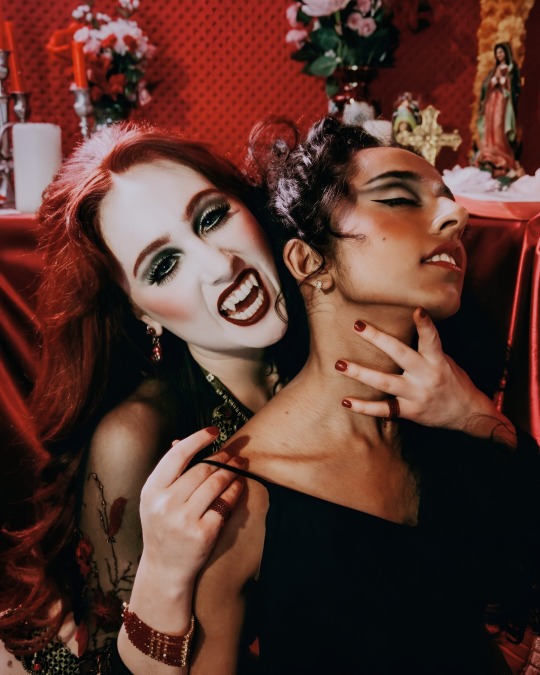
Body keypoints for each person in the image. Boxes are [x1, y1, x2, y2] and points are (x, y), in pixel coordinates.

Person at [0, 121, 533, 674]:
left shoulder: (336, 327)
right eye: (164, 266)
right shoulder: (136, 437)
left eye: (212, 218)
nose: (219, 266)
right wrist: (163, 576)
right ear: (140, 311)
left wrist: (471, 414)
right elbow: (107, 663)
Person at [182, 117, 539, 674]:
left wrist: (476, 416)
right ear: (308, 262)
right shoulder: (237, 497)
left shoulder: (457, 429)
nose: (457, 217)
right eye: (398, 199)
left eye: (447, 201)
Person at [475, 42, 521, 177]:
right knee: (490, 126)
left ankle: (501, 155)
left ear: (506, 53)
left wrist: (504, 82)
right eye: (497, 53)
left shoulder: (511, 69)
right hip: (492, 102)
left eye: (501, 52)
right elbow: (486, 86)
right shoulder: (494, 70)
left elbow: (515, 88)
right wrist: (493, 82)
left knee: (498, 126)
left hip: (503, 101)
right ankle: (488, 155)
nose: (499, 55)